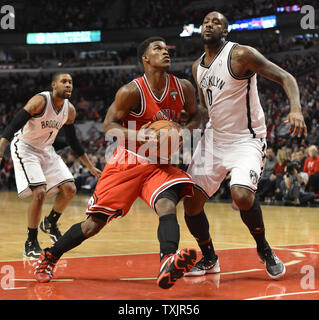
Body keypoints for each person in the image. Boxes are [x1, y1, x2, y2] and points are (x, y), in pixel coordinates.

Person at [34, 37, 201, 289]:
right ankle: (50, 256)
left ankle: (167, 260)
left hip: (158, 164)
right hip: (128, 161)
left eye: (167, 49)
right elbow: (108, 125)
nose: (165, 52)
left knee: (167, 204)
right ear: (145, 58)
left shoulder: (184, 87)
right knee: (93, 225)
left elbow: (196, 116)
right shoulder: (131, 91)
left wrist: (185, 131)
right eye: (158, 49)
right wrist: (137, 134)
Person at [183, 11, 307, 279]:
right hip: (214, 139)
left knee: (241, 195)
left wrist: (295, 109)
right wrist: (186, 122)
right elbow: (207, 108)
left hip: (246, 139)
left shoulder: (240, 55)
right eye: (205, 22)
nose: (209, 25)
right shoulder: (197, 67)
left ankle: (264, 249)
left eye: (216, 22)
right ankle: (209, 258)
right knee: (190, 204)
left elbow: (287, 78)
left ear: (225, 31)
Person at [0, 73, 101, 259]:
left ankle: (50, 222)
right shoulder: (40, 101)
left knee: (70, 188)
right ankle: (30, 242)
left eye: (70, 82)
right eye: (64, 81)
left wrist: (90, 167)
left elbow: (73, 141)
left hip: (46, 149)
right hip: (25, 147)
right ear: (54, 85)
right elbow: (16, 122)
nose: (68, 85)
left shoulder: (69, 110)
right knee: (39, 193)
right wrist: (2, 144)